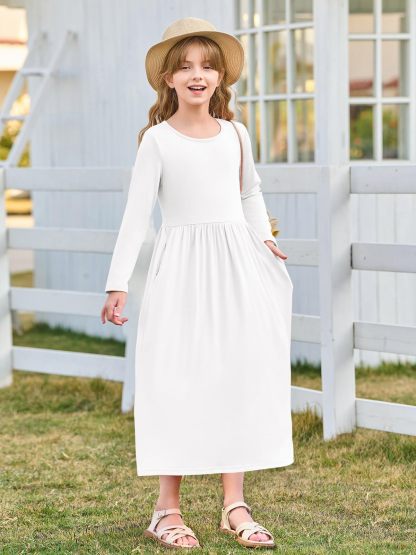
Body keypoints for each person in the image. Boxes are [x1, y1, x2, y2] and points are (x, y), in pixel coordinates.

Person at [101, 16, 294, 550]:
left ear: (220, 77)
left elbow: (249, 193)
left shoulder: (236, 134)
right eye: (185, 67)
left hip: (235, 266)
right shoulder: (157, 141)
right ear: (167, 78)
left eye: (207, 66)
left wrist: (264, 238)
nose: (197, 75)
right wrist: (118, 283)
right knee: (177, 379)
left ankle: (235, 505)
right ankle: (166, 510)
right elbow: (136, 215)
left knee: (236, 374)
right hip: (182, 271)